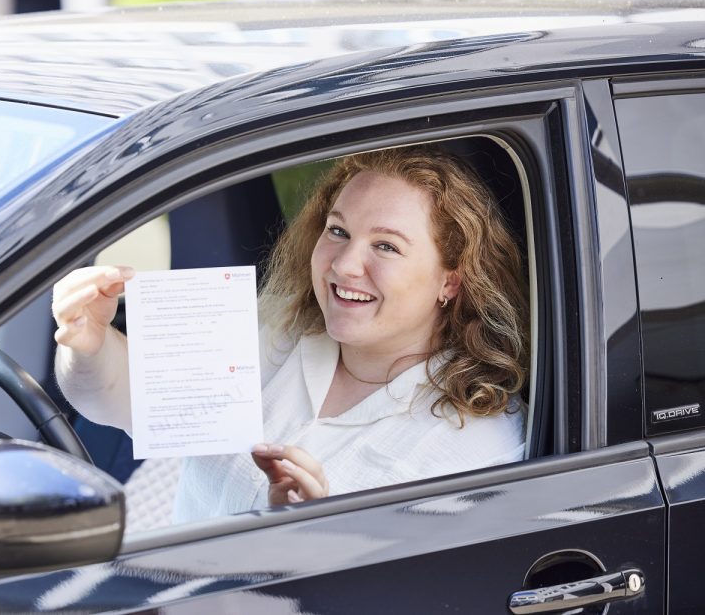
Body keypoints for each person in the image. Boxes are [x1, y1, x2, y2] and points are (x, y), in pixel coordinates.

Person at [51, 145, 528, 523]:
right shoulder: (270, 326)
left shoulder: (480, 441)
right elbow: (119, 401)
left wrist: (308, 538)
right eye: (338, 231)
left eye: (385, 245)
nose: (343, 264)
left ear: (451, 280)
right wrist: (89, 342)